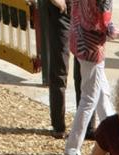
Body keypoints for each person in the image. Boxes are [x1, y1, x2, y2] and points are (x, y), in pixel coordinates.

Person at [62, 0, 119, 155]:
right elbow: (107, 27)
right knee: (89, 99)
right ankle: (72, 149)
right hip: (91, 47)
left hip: (77, 38)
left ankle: (115, 145)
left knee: (102, 94)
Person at [41, 0, 83, 140]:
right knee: (60, 68)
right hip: (62, 10)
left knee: (85, 70)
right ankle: (58, 125)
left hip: (84, 11)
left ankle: (86, 126)